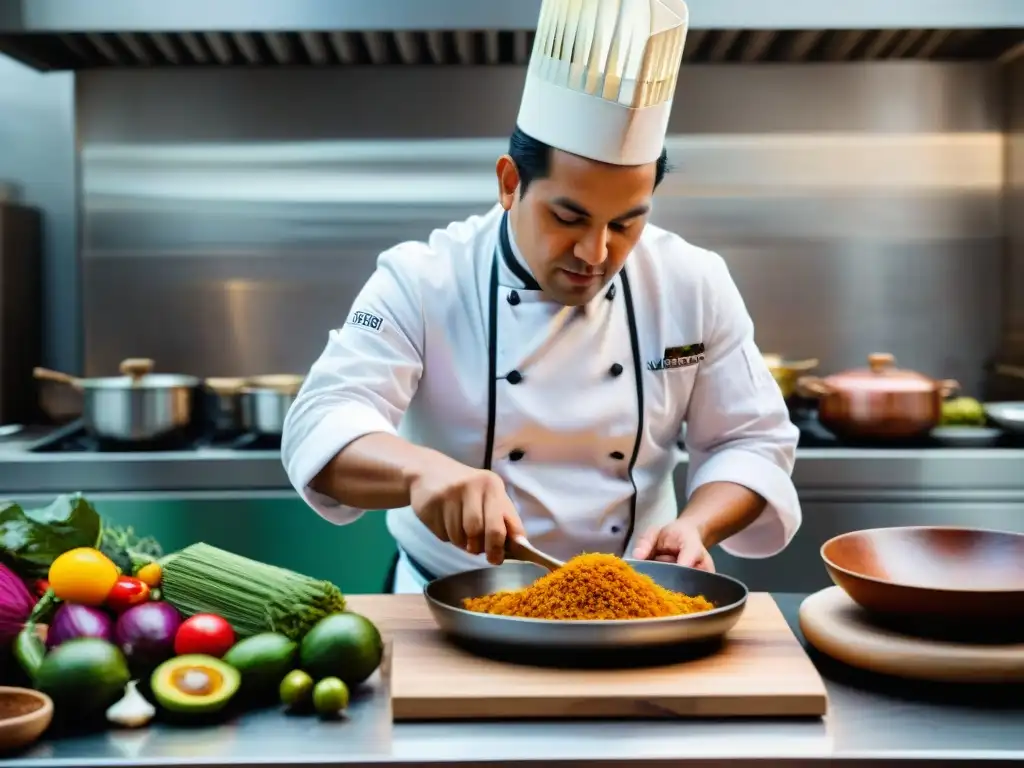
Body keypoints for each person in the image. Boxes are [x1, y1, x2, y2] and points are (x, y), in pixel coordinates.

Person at [281, 0, 801, 594]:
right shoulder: (422, 280)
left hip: (631, 609)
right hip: (447, 609)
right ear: (510, 183)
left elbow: (751, 439)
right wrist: (423, 472)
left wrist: (696, 525)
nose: (595, 253)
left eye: (626, 223)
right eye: (568, 217)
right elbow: (321, 423)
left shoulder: (693, 281)